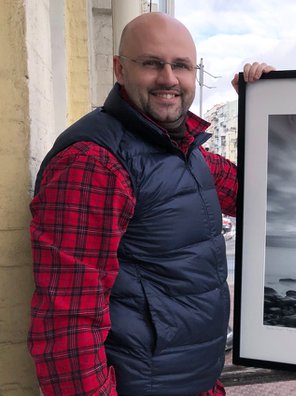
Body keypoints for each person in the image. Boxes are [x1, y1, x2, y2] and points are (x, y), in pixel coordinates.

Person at [27, 12, 273, 396]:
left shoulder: (186, 151)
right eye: (152, 64)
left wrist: (267, 110)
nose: (169, 78)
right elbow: (68, 327)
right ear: (119, 69)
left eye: (181, 66)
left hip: (197, 382)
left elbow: (260, 196)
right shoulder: (94, 161)